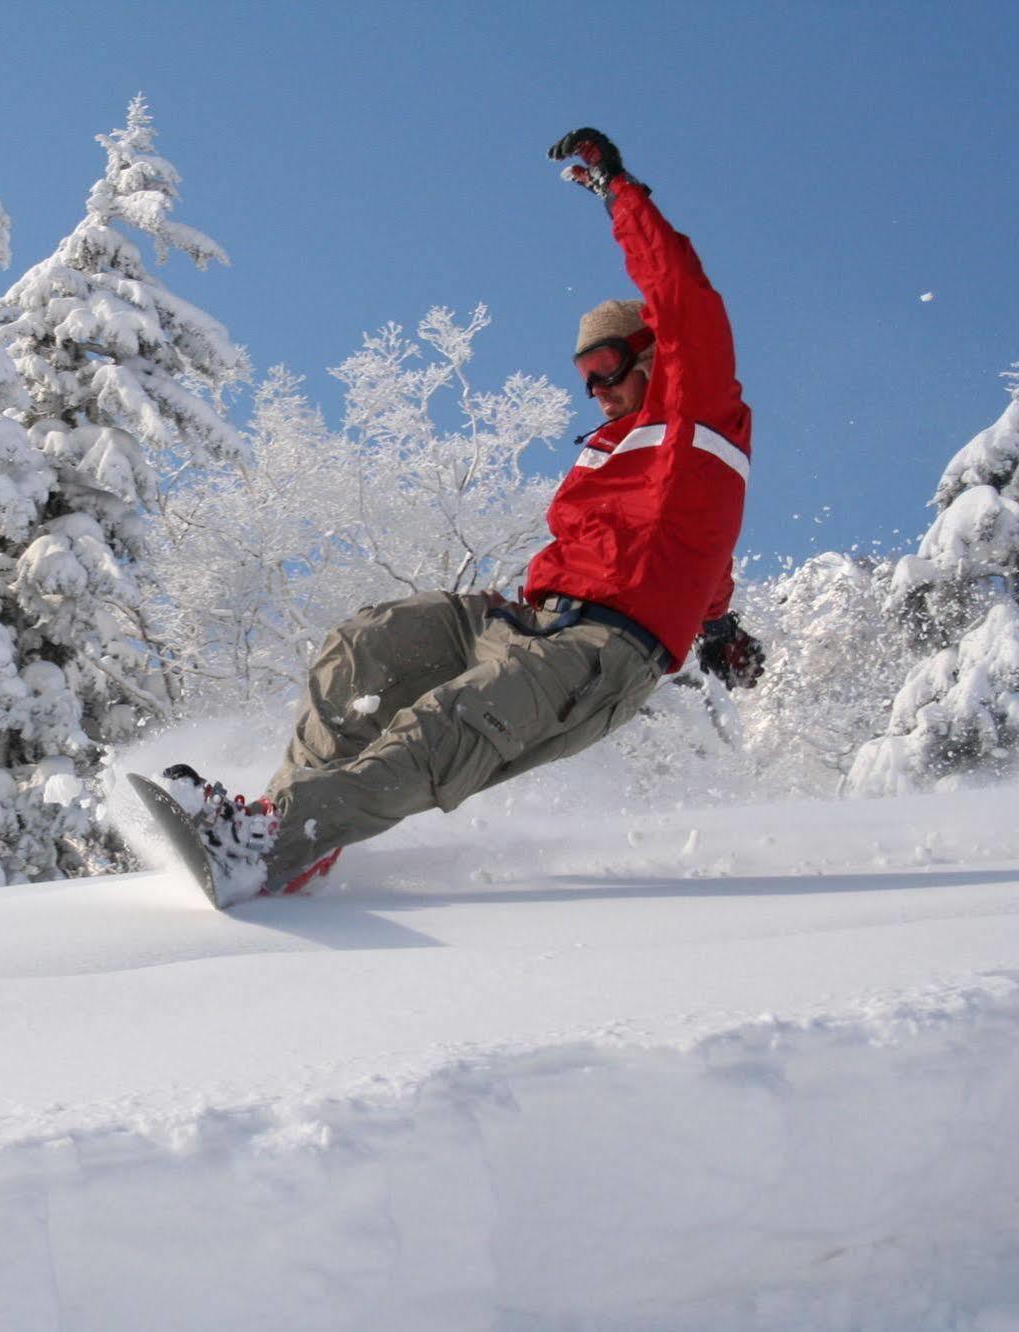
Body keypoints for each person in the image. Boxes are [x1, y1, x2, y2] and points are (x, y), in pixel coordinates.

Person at [162, 128, 766, 901]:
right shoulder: (608, 452)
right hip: (522, 620)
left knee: (447, 724)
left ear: (655, 353)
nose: (595, 389)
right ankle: (280, 837)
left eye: (605, 365)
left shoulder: (698, 413)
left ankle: (272, 839)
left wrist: (619, 192)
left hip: (598, 652)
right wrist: (718, 621)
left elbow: (683, 294)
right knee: (367, 644)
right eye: (582, 374)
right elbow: (696, 559)